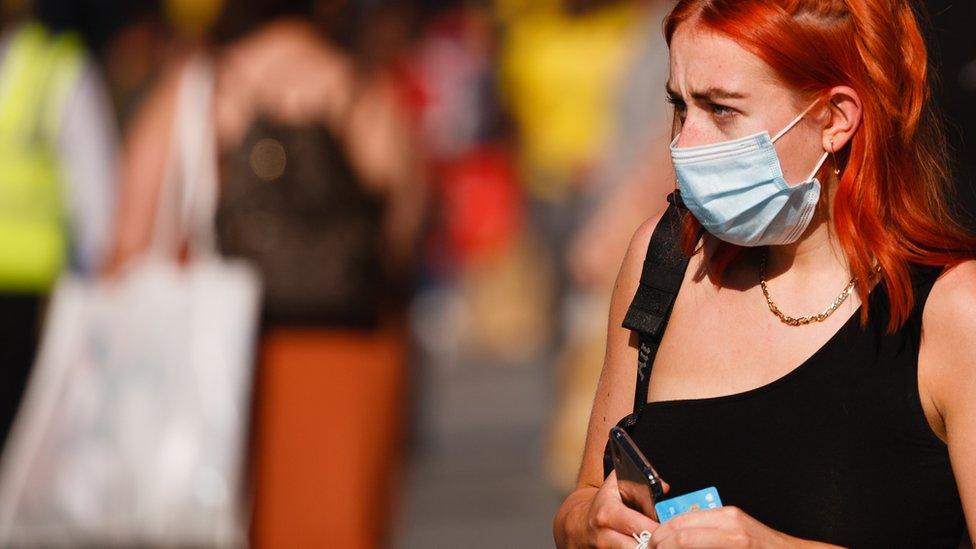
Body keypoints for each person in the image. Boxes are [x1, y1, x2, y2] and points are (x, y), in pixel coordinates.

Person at [553, 0, 976, 547]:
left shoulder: (952, 310)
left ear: (835, 119)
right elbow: (584, 497)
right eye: (680, 106)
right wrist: (589, 523)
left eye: (721, 109)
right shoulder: (667, 258)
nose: (685, 143)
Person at [108, 2, 424, 547]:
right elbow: (406, 216)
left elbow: (133, 231)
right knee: (334, 518)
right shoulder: (356, 85)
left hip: (223, 351)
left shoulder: (203, 88)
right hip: (348, 349)